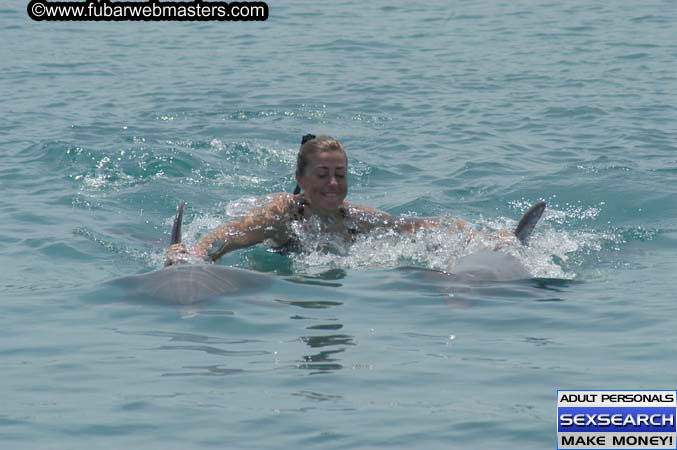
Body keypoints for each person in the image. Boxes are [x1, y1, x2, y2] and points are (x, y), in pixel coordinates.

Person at [165, 134, 516, 266]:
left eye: (340, 175)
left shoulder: (353, 217)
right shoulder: (282, 215)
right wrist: (192, 254)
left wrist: (482, 237)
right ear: (300, 180)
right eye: (322, 175)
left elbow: (415, 227)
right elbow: (230, 235)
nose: (332, 184)